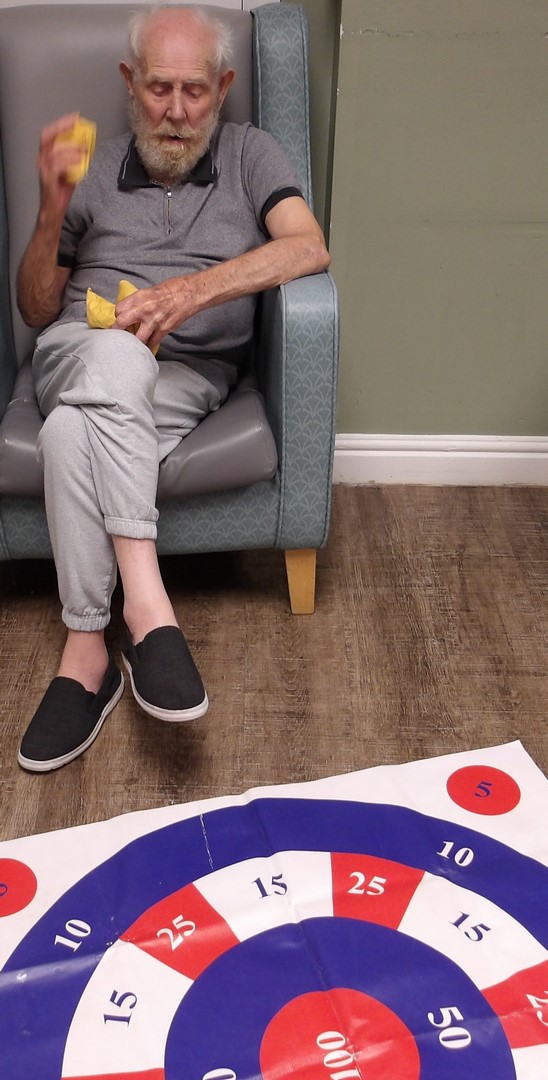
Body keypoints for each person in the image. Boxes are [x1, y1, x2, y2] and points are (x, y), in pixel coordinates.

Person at [15, 3, 330, 773]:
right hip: (76, 350)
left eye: (195, 90)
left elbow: (307, 247)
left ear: (222, 87)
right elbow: (36, 309)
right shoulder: (92, 167)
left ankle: (86, 652)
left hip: (188, 375)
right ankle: (148, 609)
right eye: (160, 88)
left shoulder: (252, 154)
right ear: (131, 83)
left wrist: (191, 292)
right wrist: (52, 210)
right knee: (117, 356)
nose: (178, 110)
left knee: (69, 433)